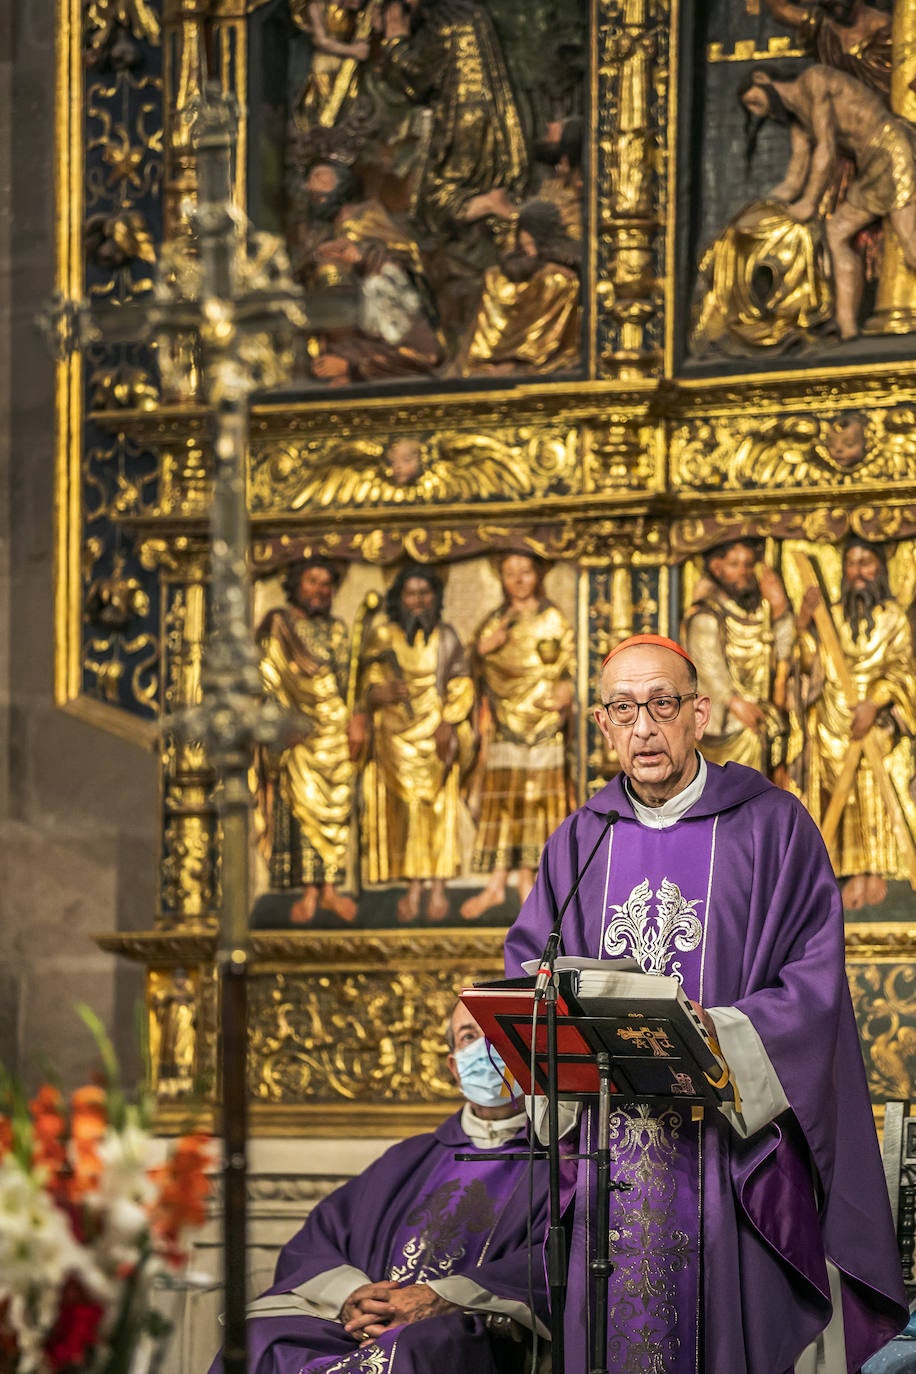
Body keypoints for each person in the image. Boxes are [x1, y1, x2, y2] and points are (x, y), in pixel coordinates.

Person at [504, 632, 907, 1373]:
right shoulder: (580, 840)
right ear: (602, 725)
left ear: (700, 711)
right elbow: (531, 970)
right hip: (610, 1159)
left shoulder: (771, 826)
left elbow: (813, 987)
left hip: (727, 1155)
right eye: (623, 709)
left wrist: (706, 1035)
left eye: (662, 704)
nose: (644, 728)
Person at [207, 1003, 549, 1374]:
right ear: (454, 1067)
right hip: (362, 1323)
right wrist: (352, 1297)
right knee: (259, 1338)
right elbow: (321, 1238)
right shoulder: (410, 1157)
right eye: (469, 1036)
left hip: (463, 1327)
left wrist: (444, 1297)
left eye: (497, 1035)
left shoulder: (563, 1161)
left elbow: (556, 1261)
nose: (486, 1049)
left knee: (417, 1348)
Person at [738, 65, 916, 340]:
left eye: (752, 101)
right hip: (871, 162)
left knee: (911, 243)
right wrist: (764, 210)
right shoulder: (800, 125)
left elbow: (827, 147)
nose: (756, 111)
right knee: (836, 232)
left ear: (762, 79)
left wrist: (809, 203)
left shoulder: (815, 80)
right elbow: (793, 181)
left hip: (891, 149)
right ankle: (847, 328)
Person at [795, 537, 916, 911]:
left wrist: (876, 701)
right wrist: (804, 626)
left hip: (880, 720)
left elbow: (903, 669)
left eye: (867, 563)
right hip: (835, 720)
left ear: (880, 569)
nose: (859, 572)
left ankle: (879, 870)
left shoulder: (893, 619)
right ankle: (848, 871)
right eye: (852, 564)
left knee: (880, 783)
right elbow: (811, 667)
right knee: (838, 791)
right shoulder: (829, 616)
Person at [460, 552, 574, 920]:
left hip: (543, 721)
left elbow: (572, 663)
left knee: (537, 799)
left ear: (537, 574)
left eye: (525, 571)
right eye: (510, 573)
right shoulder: (496, 622)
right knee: (504, 802)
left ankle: (530, 879)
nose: (519, 579)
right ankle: (496, 884)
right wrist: (481, 650)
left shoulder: (552, 617)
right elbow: (469, 670)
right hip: (506, 721)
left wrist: (567, 691)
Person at [358, 564, 475, 922]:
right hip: (395, 736)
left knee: (437, 808)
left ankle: (438, 886)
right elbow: (365, 679)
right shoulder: (384, 635)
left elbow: (462, 682)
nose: (418, 601)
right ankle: (412, 887)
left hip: (434, 732)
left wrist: (450, 720)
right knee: (405, 811)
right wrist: (379, 691)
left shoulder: (447, 636)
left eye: (425, 593)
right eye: (411, 593)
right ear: (400, 599)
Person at [254, 557, 362, 924]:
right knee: (301, 807)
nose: (320, 589)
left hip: (335, 731)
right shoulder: (279, 626)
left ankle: (331, 889)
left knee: (337, 808)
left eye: (326, 583)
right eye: (313, 581)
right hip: (298, 733)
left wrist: (357, 715)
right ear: (296, 583)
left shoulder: (338, 630)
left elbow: (350, 681)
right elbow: (267, 679)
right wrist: (282, 723)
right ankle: (308, 892)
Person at [682, 539, 794, 779]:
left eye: (748, 564)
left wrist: (780, 611)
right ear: (717, 567)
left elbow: (784, 654)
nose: (743, 572)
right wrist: (734, 702)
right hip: (725, 722)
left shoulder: (759, 614)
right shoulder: (706, 616)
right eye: (734, 564)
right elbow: (708, 669)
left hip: (757, 719)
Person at [456, 200, 582, 377]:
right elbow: (514, 267)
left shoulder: (560, 281)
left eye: (532, 244)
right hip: (487, 360)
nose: (529, 252)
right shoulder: (497, 277)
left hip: (544, 361)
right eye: (525, 244)